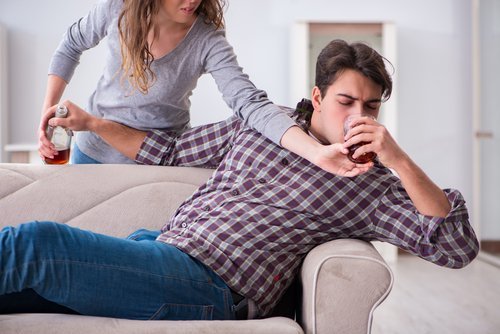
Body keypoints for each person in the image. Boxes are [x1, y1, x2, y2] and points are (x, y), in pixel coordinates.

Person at [2, 39, 479, 320]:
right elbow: (168, 152)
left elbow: (455, 246)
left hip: (211, 287)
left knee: (36, 245)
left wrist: (398, 159)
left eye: (370, 106)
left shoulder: (369, 185)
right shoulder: (263, 122)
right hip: (162, 249)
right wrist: (92, 124)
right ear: (317, 96)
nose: (358, 116)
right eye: (346, 101)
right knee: (20, 295)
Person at [37, 0, 334, 171]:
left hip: (154, 164)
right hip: (92, 152)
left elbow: (249, 104)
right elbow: (71, 45)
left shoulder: (207, 40)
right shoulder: (118, 9)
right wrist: (46, 113)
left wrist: (315, 152)